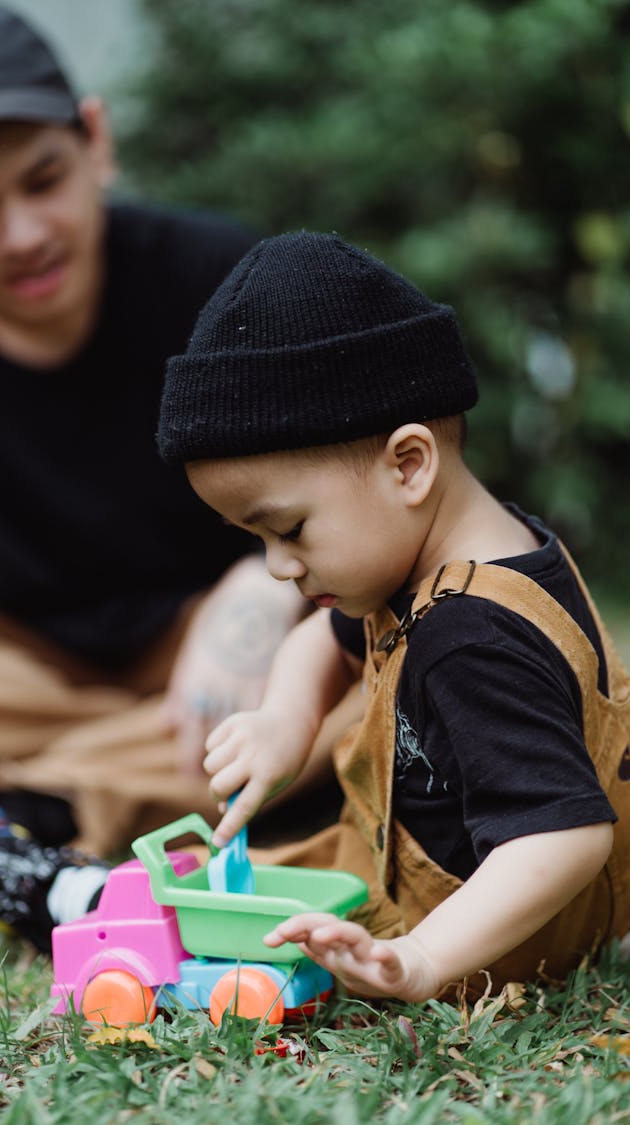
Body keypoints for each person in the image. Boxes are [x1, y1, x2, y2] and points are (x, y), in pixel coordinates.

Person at [0, 5, 353, 934]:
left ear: (95, 143)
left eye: (42, 180)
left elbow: (368, 495)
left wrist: (259, 583)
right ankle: (102, 793)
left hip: (228, 657)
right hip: (2, 668)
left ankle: (4, 815)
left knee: (394, 674)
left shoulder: (223, 278)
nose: (21, 234)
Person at [156, 230, 630, 1002]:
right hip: (387, 866)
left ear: (408, 464)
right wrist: (284, 720)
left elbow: (564, 833)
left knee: (224, 920)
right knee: (232, 891)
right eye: (256, 540)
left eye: (290, 529)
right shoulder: (442, 558)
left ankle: (65, 892)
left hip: (473, 926)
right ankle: (74, 891)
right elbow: (323, 640)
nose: (277, 566)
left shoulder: (468, 636)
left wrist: (423, 957)